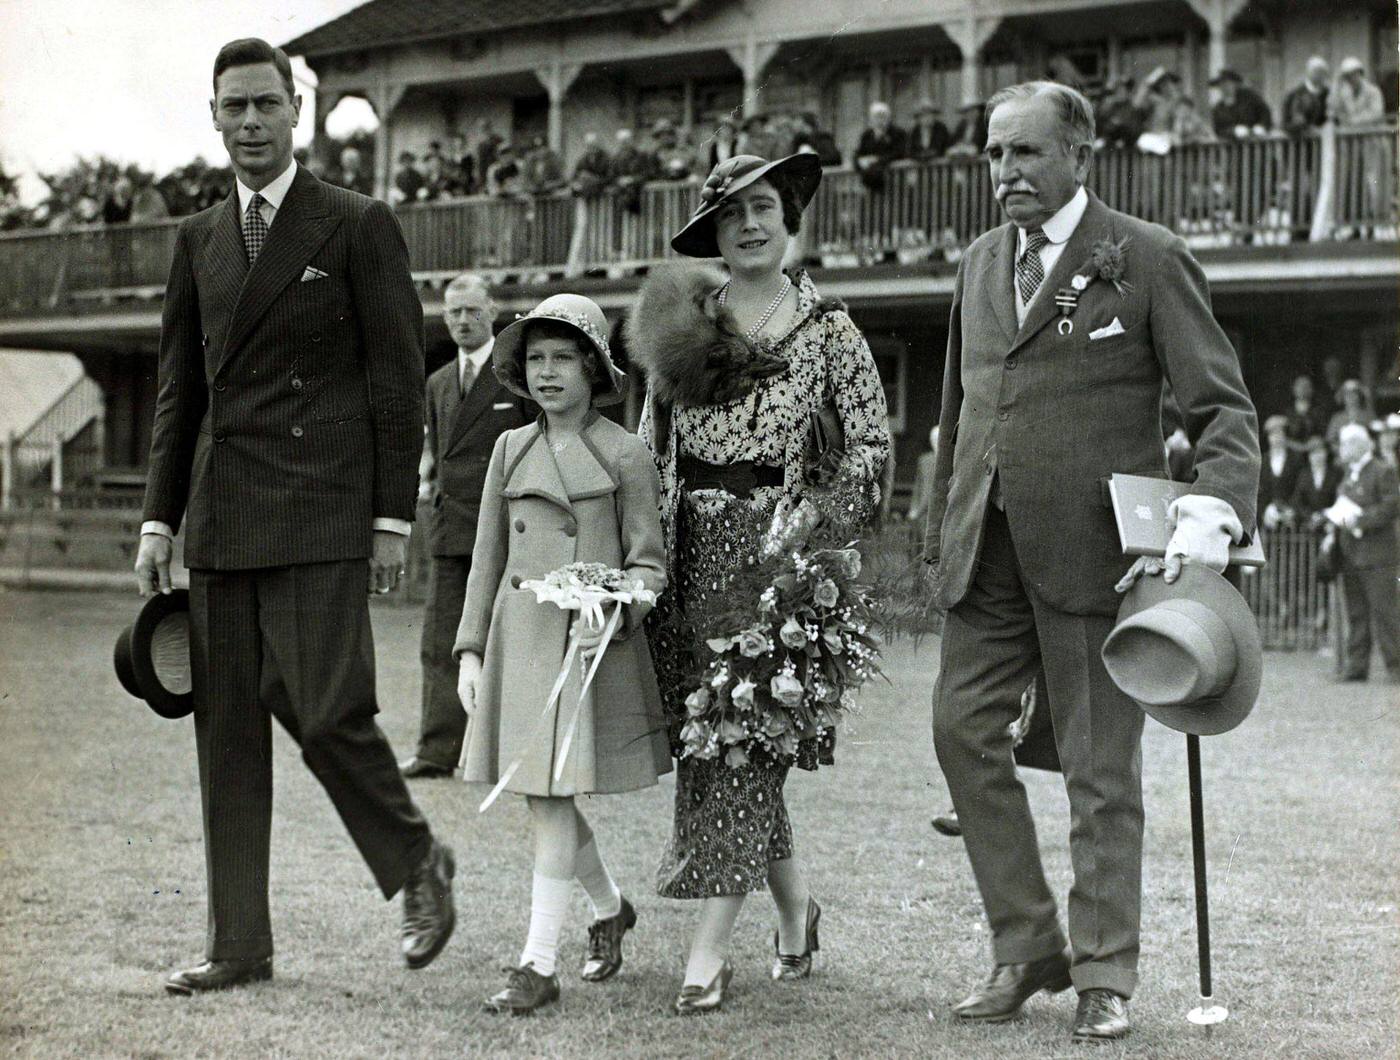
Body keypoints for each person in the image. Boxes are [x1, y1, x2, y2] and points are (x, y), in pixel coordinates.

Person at [923, 81, 1259, 1043]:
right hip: (984, 551)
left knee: (1099, 771)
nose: (1006, 173)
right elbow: (960, 413)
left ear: (1080, 155)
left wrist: (1213, 516)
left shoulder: (1144, 258)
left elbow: (1224, 414)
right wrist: (943, 529)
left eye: (1026, 153)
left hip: (1101, 560)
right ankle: (1026, 942)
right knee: (959, 734)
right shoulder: (980, 264)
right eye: (994, 155)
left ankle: (1104, 974)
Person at [133, 37, 455, 995]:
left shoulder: (356, 223)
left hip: (322, 509)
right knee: (227, 731)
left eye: (265, 106)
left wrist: (391, 517)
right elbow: (176, 392)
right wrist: (159, 520)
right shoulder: (197, 238)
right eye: (232, 108)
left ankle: (415, 863)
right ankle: (239, 943)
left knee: (326, 712)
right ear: (214, 117)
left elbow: (398, 378)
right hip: (224, 515)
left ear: (297, 112)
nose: (249, 124)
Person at [630, 152, 889, 1014]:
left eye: (765, 206)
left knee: (742, 741)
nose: (749, 223)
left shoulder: (829, 331)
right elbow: (646, 449)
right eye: (732, 211)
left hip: (779, 560)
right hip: (685, 557)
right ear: (713, 230)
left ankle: (706, 957)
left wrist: (811, 529)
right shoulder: (681, 324)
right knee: (721, 745)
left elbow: (870, 451)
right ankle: (794, 915)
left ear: (792, 218)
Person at [454, 293, 671, 1013]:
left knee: (549, 801)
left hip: (587, 653)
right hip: (520, 646)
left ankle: (537, 964)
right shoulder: (508, 449)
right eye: (535, 360)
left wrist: (610, 609)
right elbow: (486, 561)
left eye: (562, 359)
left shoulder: (625, 452)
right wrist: (470, 652)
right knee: (544, 800)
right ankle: (609, 910)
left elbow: (648, 567)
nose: (547, 374)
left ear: (592, 368)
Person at [398, 275, 533, 780]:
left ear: (493, 311)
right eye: (453, 312)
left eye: (472, 310)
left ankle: (511, 752)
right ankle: (437, 749)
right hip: (451, 529)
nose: (462, 320)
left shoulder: (517, 376)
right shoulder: (436, 383)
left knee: (512, 641)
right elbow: (433, 456)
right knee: (440, 641)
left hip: (505, 531)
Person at [1330, 423, 1400, 683]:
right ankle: (1357, 666)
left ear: (1360, 445)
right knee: (1356, 613)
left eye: (1346, 444)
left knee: (1386, 612)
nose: (1342, 449)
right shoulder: (1350, 474)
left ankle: (1395, 667)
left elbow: (1392, 506)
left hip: (1379, 556)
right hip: (1352, 555)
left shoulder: (1384, 471)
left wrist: (1359, 520)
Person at [1260, 414, 1302, 530]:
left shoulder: (1295, 460)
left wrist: (1291, 508)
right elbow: (1260, 489)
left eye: (1280, 433)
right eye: (1272, 434)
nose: (1276, 438)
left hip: (1291, 515)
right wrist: (1266, 508)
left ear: (1285, 436)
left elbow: (1299, 487)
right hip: (1268, 516)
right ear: (1268, 438)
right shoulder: (1262, 461)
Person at [854, 101, 907, 192]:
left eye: (883, 116)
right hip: (870, 184)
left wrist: (876, 159)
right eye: (876, 117)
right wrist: (860, 162)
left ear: (888, 118)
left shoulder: (898, 133)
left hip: (894, 182)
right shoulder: (867, 135)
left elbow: (899, 152)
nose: (880, 120)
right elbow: (857, 154)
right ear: (871, 119)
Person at [1209, 68, 1271, 139]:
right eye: (1222, 85)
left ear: (1235, 84)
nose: (1225, 87)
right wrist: (1233, 131)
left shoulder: (1250, 99)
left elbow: (1265, 113)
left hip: (1256, 143)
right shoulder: (1218, 109)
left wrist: (1261, 127)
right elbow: (1218, 130)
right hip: (1232, 146)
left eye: (1228, 83)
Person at [1283, 57, 1331, 137]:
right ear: (1308, 72)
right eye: (1315, 71)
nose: (1318, 75)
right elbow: (1287, 121)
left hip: (1323, 141)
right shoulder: (1295, 94)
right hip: (1300, 142)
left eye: (1321, 72)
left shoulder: (1329, 94)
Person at [1326, 379, 1372, 451]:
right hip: (1342, 456)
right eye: (1347, 395)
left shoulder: (1368, 416)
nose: (1351, 398)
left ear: (1359, 396)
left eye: (1354, 394)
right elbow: (1330, 440)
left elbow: (1374, 437)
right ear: (1343, 398)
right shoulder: (1337, 418)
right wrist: (1342, 450)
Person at [1284, 373, 1327, 449]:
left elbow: (1322, 435)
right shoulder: (1286, 412)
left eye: (1306, 386)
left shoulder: (1319, 411)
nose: (1303, 389)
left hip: (1313, 451)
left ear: (1312, 389)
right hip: (1291, 451)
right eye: (1300, 386)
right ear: (1294, 389)